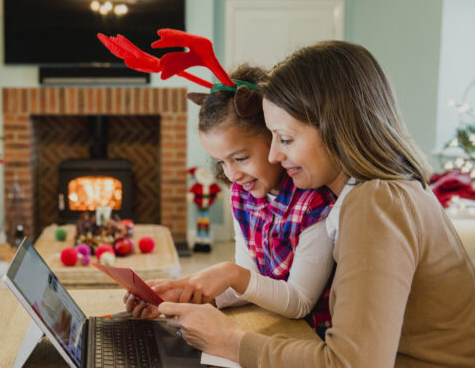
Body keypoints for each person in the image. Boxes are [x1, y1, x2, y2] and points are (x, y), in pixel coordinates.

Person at [157, 41, 475, 366]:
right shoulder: (375, 196)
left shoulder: (376, 203)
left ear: (335, 126)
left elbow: (352, 363)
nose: (275, 155)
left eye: (286, 138)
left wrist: (231, 342)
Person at [126, 65, 337, 338]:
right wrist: (184, 295)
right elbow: (249, 281)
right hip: (272, 326)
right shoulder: (242, 195)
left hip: (308, 340)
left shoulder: (314, 202)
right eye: (221, 162)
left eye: (240, 158)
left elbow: (299, 302)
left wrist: (230, 274)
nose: (232, 174)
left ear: (275, 138)